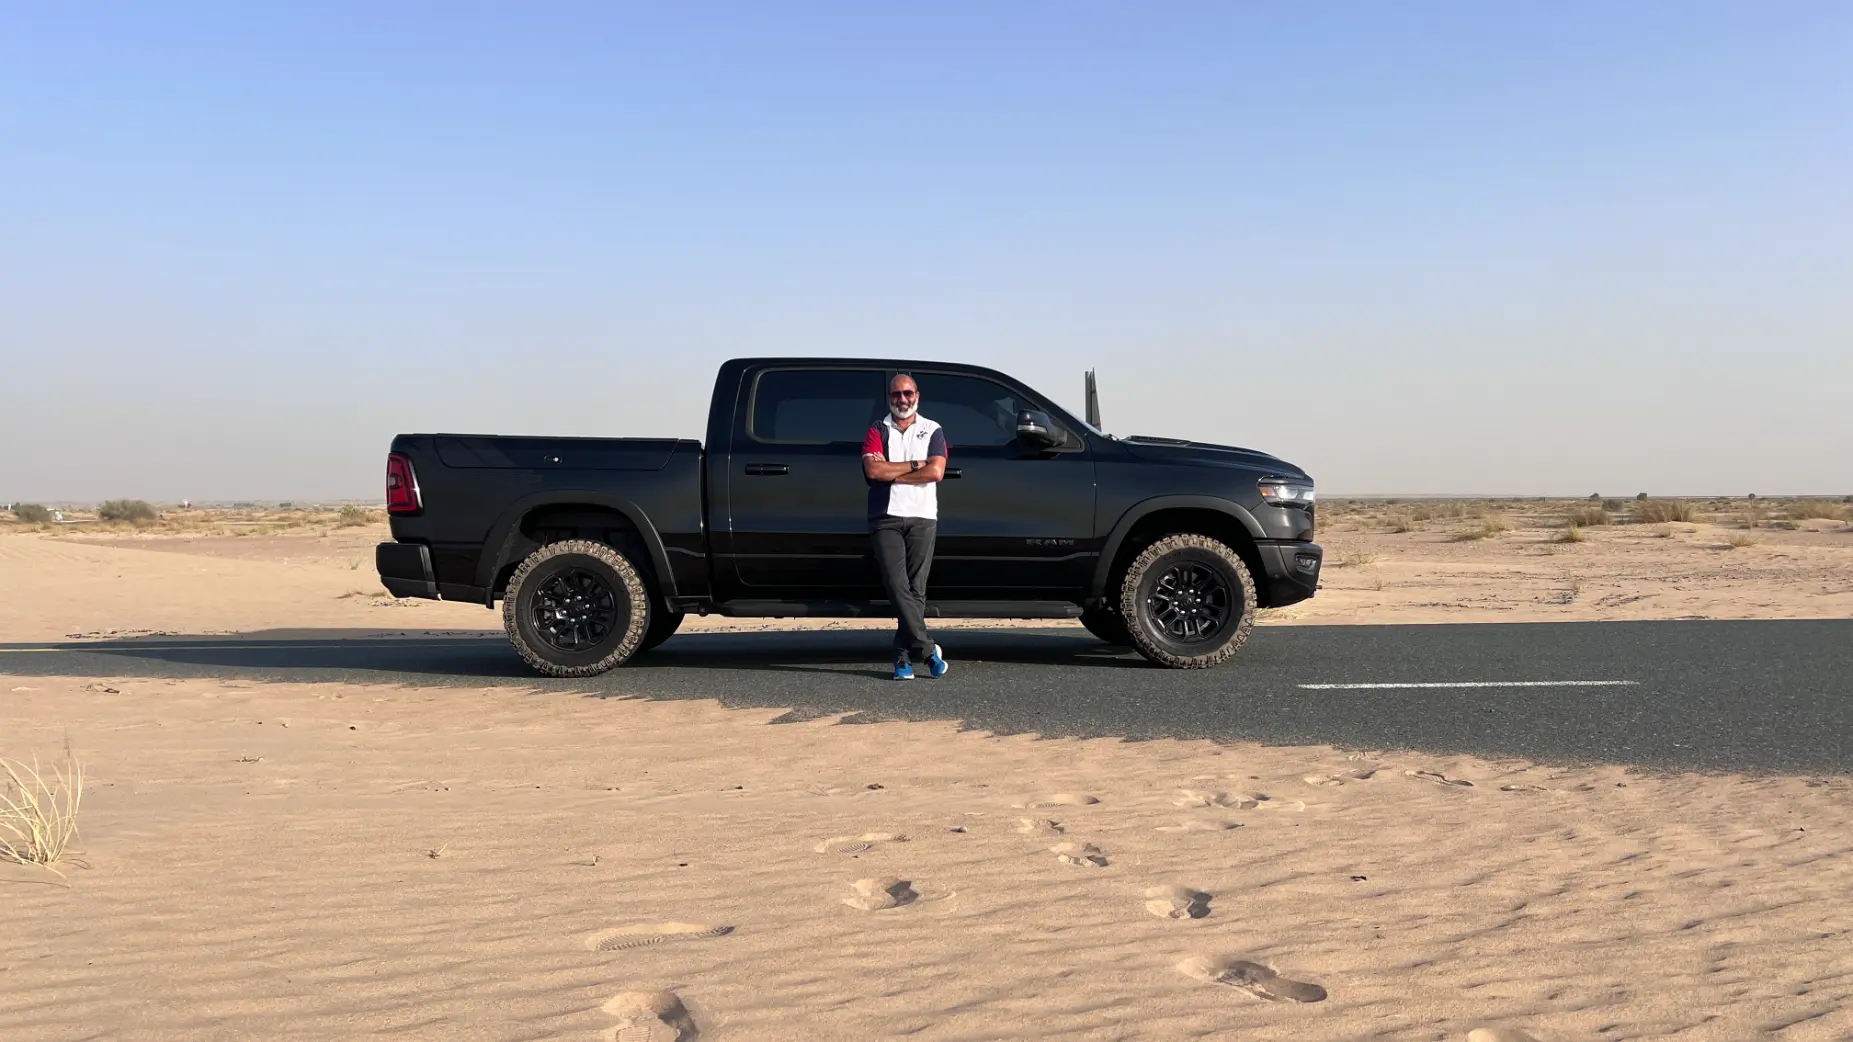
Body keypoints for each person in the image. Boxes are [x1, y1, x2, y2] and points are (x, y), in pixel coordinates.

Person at [861, 373, 950, 680]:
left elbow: (936, 471)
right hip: (885, 517)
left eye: (907, 393)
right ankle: (928, 650)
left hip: (923, 516)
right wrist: (915, 465)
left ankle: (901, 658)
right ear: (889, 397)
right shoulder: (877, 429)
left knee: (916, 590)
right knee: (896, 585)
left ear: (917, 396)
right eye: (896, 394)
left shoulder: (932, 429)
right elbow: (873, 470)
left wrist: (893, 473)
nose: (902, 399)